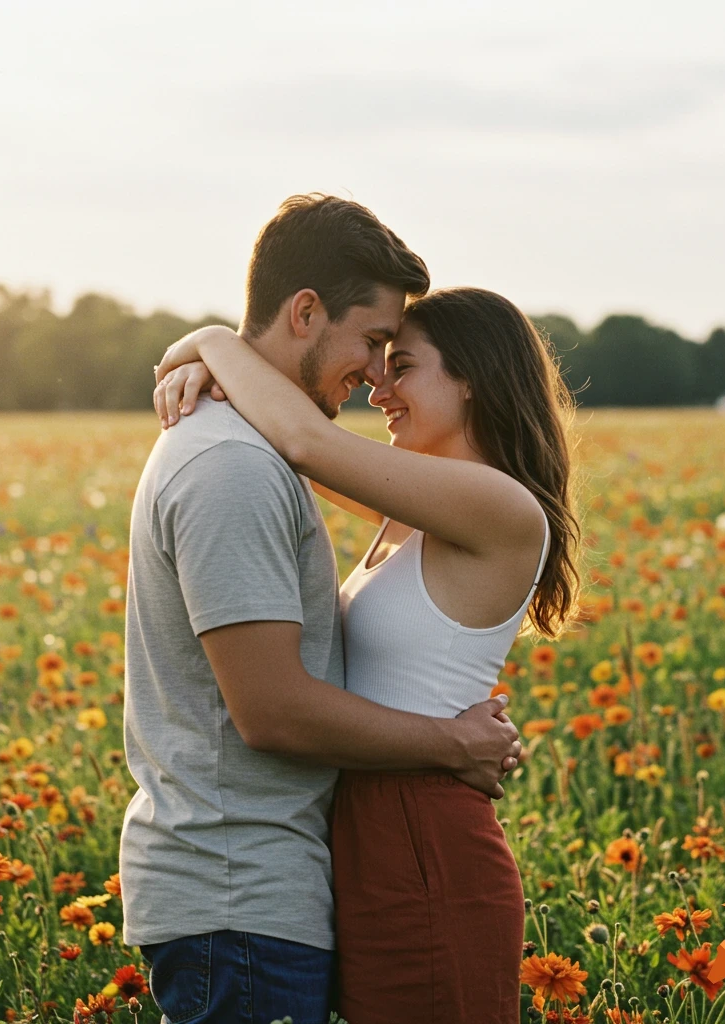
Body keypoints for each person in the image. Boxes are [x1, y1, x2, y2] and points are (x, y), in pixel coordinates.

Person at [119, 194, 524, 1024]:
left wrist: (214, 348)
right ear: (306, 311)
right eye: (377, 346)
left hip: (371, 855)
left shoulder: (487, 506)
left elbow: (306, 444)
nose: (378, 377)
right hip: (266, 879)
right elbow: (299, 445)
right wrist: (213, 350)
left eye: (400, 361)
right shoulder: (240, 462)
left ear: (475, 385)